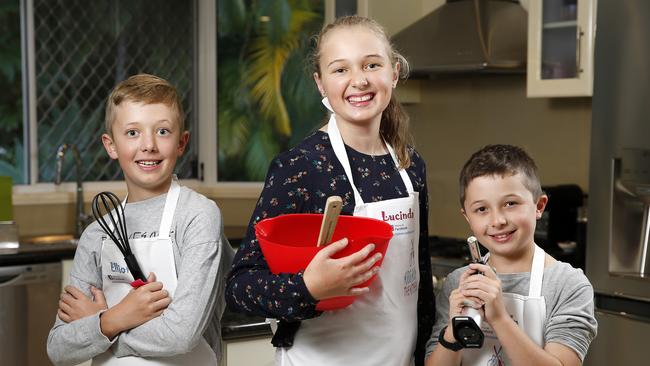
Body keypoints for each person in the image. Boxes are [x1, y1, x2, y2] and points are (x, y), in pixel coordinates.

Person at [225, 15, 434, 366]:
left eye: (372, 64)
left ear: (393, 73)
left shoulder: (410, 166)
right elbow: (240, 287)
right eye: (341, 70)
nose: (359, 80)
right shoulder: (301, 167)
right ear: (320, 84)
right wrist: (308, 288)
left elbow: (421, 283)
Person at [47, 74, 234, 365]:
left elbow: (181, 335)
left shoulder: (197, 216)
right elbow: (58, 348)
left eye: (162, 131)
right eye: (132, 133)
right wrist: (115, 318)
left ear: (182, 142)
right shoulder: (97, 233)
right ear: (111, 145)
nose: (148, 145)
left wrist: (104, 327)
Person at [425, 144, 597, 366]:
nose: (498, 221)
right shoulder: (457, 283)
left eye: (510, 204)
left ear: (539, 206)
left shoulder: (568, 285)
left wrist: (499, 318)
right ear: (468, 217)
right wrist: (453, 331)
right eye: (481, 209)